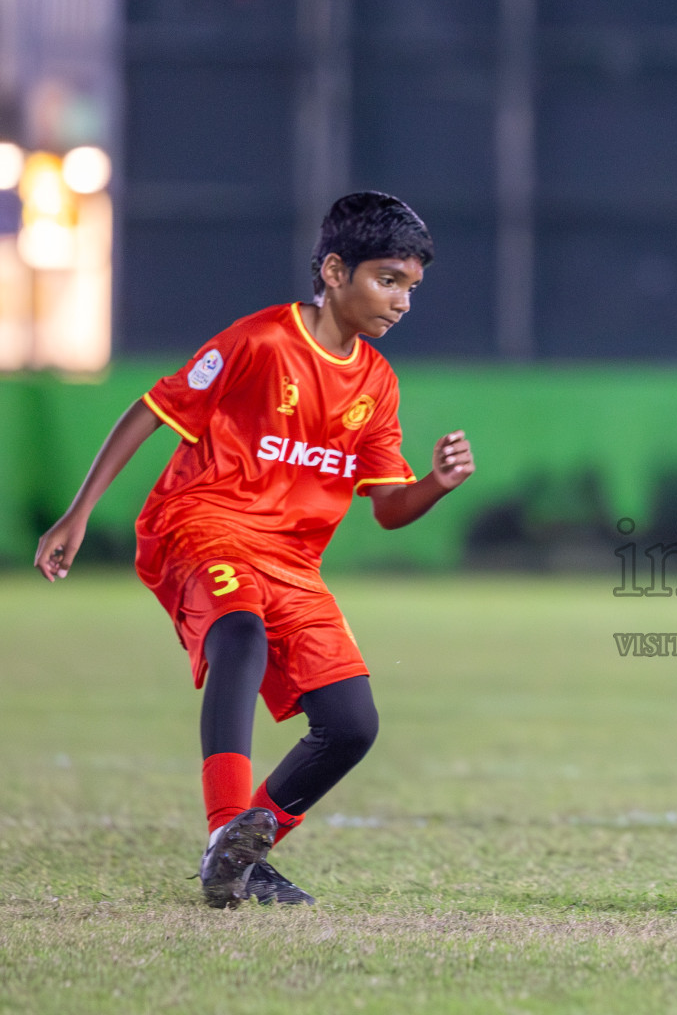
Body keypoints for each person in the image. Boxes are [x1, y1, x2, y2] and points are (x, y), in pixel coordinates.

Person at [34, 191, 476, 908]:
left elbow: (389, 510)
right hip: (200, 524)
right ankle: (222, 834)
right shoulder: (262, 341)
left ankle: (242, 852)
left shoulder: (376, 383)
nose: (401, 301)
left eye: (411, 288)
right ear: (335, 271)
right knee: (240, 637)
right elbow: (152, 410)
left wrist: (436, 483)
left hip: (291, 562)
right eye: (387, 280)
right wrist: (77, 514)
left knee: (352, 725)